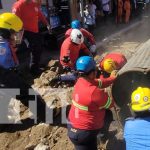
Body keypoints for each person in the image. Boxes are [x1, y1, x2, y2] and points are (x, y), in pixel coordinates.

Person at [0, 12, 46, 123]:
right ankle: (46, 114)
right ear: (6, 32)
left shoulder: (4, 42)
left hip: (5, 71)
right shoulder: (3, 47)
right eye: (15, 33)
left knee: (3, 96)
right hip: (2, 74)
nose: (17, 37)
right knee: (27, 93)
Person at [67, 56, 114, 150]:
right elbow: (111, 104)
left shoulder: (79, 81)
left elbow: (98, 82)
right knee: (108, 113)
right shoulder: (95, 92)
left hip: (72, 126)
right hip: (85, 133)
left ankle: (100, 137)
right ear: (93, 72)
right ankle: (102, 137)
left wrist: (112, 79)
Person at [12, 0, 51, 76]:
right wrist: (16, 38)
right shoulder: (18, 5)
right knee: (15, 49)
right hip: (22, 31)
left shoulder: (34, 4)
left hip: (34, 31)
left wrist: (47, 24)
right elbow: (15, 20)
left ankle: (34, 68)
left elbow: (40, 14)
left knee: (38, 48)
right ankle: (15, 71)